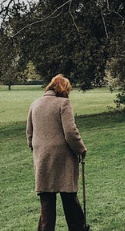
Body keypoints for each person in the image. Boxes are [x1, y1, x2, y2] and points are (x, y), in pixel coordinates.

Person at [26, 74, 90, 231]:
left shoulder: (35, 104)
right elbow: (70, 132)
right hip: (63, 158)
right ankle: (78, 228)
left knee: (46, 201)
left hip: (42, 158)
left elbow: (29, 132)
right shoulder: (64, 104)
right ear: (64, 89)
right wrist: (81, 149)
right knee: (68, 195)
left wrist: (36, 148)